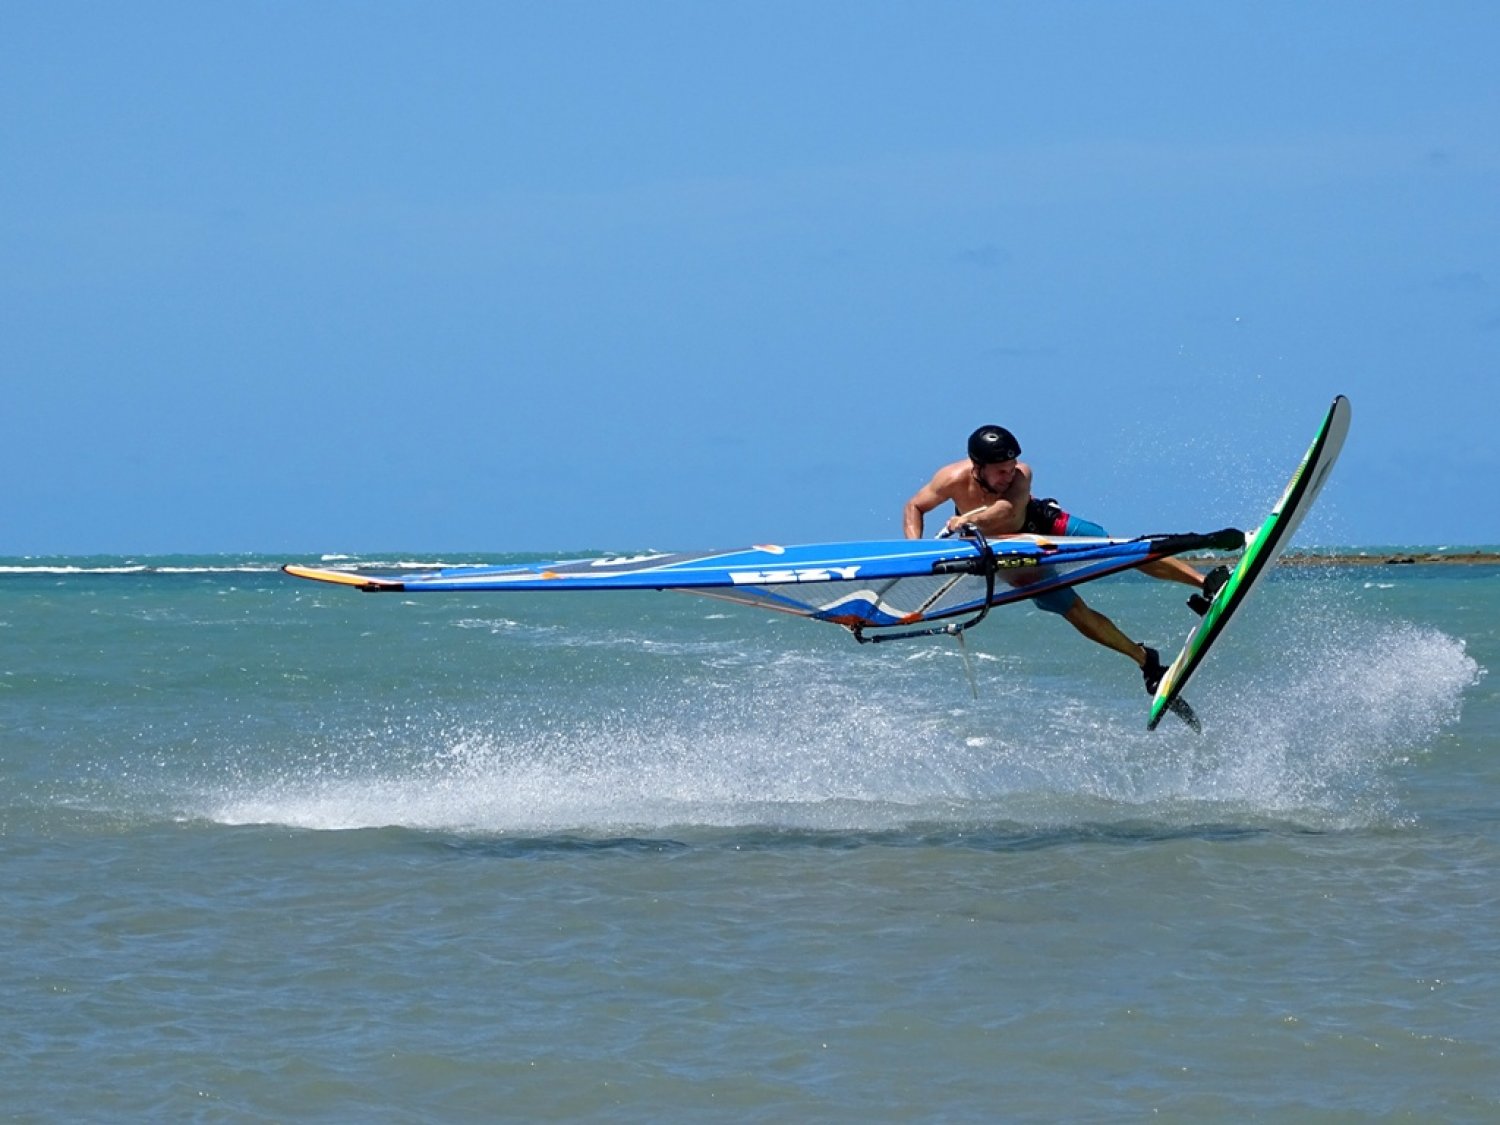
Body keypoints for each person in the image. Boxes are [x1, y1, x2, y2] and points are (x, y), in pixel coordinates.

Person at [902, 424, 1228, 695]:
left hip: (1042, 523)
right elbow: (914, 507)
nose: (1008, 475)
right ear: (977, 466)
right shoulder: (950, 479)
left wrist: (971, 521)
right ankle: (1147, 662)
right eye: (1000, 471)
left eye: (1011, 467)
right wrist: (914, 551)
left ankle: (1208, 584)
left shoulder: (1021, 475)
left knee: (1121, 550)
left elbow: (1008, 510)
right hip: (1011, 556)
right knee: (1075, 612)